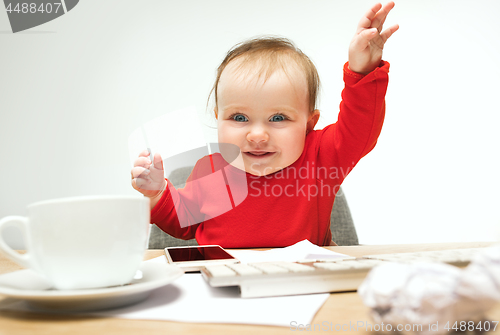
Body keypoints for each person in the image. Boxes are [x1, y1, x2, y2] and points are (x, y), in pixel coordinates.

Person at [131, 2, 399, 248]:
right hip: (225, 285)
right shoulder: (212, 173)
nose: (257, 135)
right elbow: (181, 221)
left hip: (301, 284)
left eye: (278, 118)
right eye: (239, 118)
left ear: (308, 125)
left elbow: (359, 129)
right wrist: (157, 193)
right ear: (217, 117)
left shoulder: (319, 159)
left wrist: (363, 71)